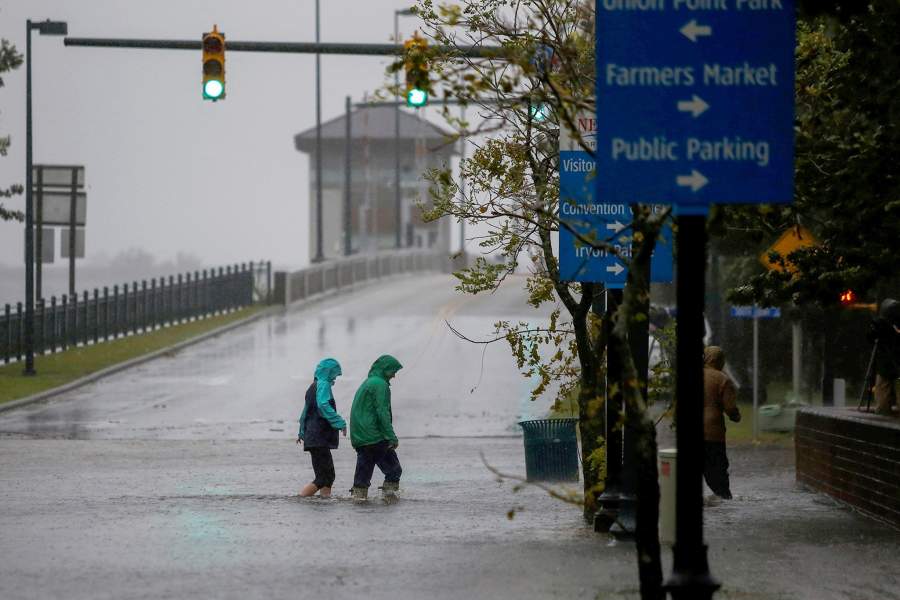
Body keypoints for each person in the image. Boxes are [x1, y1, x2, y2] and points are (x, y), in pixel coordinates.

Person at [349, 355, 403, 501]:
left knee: (363, 476)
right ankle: (389, 500)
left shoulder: (368, 382)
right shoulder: (380, 385)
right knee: (394, 470)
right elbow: (382, 412)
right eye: (393, 371)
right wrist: (391, 437)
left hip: (360, 436)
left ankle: (358, 502)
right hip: (374, 436)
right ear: (385, 369)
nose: (394, 375)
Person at [297, 358, 347, 498]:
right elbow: (323, 405)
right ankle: (300, 499)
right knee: (323, 477)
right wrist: (340, 422)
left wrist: (302, 432)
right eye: (335, 374)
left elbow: (304, 413)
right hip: (319, 438)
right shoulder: (323, 385)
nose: (335, 378)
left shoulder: (312, 387)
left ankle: (325, 502)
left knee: (328, 476)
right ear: (328, 372)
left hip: (313, 438)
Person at [703, 346, 741, 500]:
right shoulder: (722, 379)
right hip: (712, 433)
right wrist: (735, 416)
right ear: (719, 360)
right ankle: (724, 500)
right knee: (717, 469)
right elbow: (730, 407)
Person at [869, 298, 900, 416]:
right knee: (882, 401)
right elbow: (871, 338)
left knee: (883, 395)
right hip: (886, 366)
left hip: (892, 366)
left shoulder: (894, 328)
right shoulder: (884, 327)